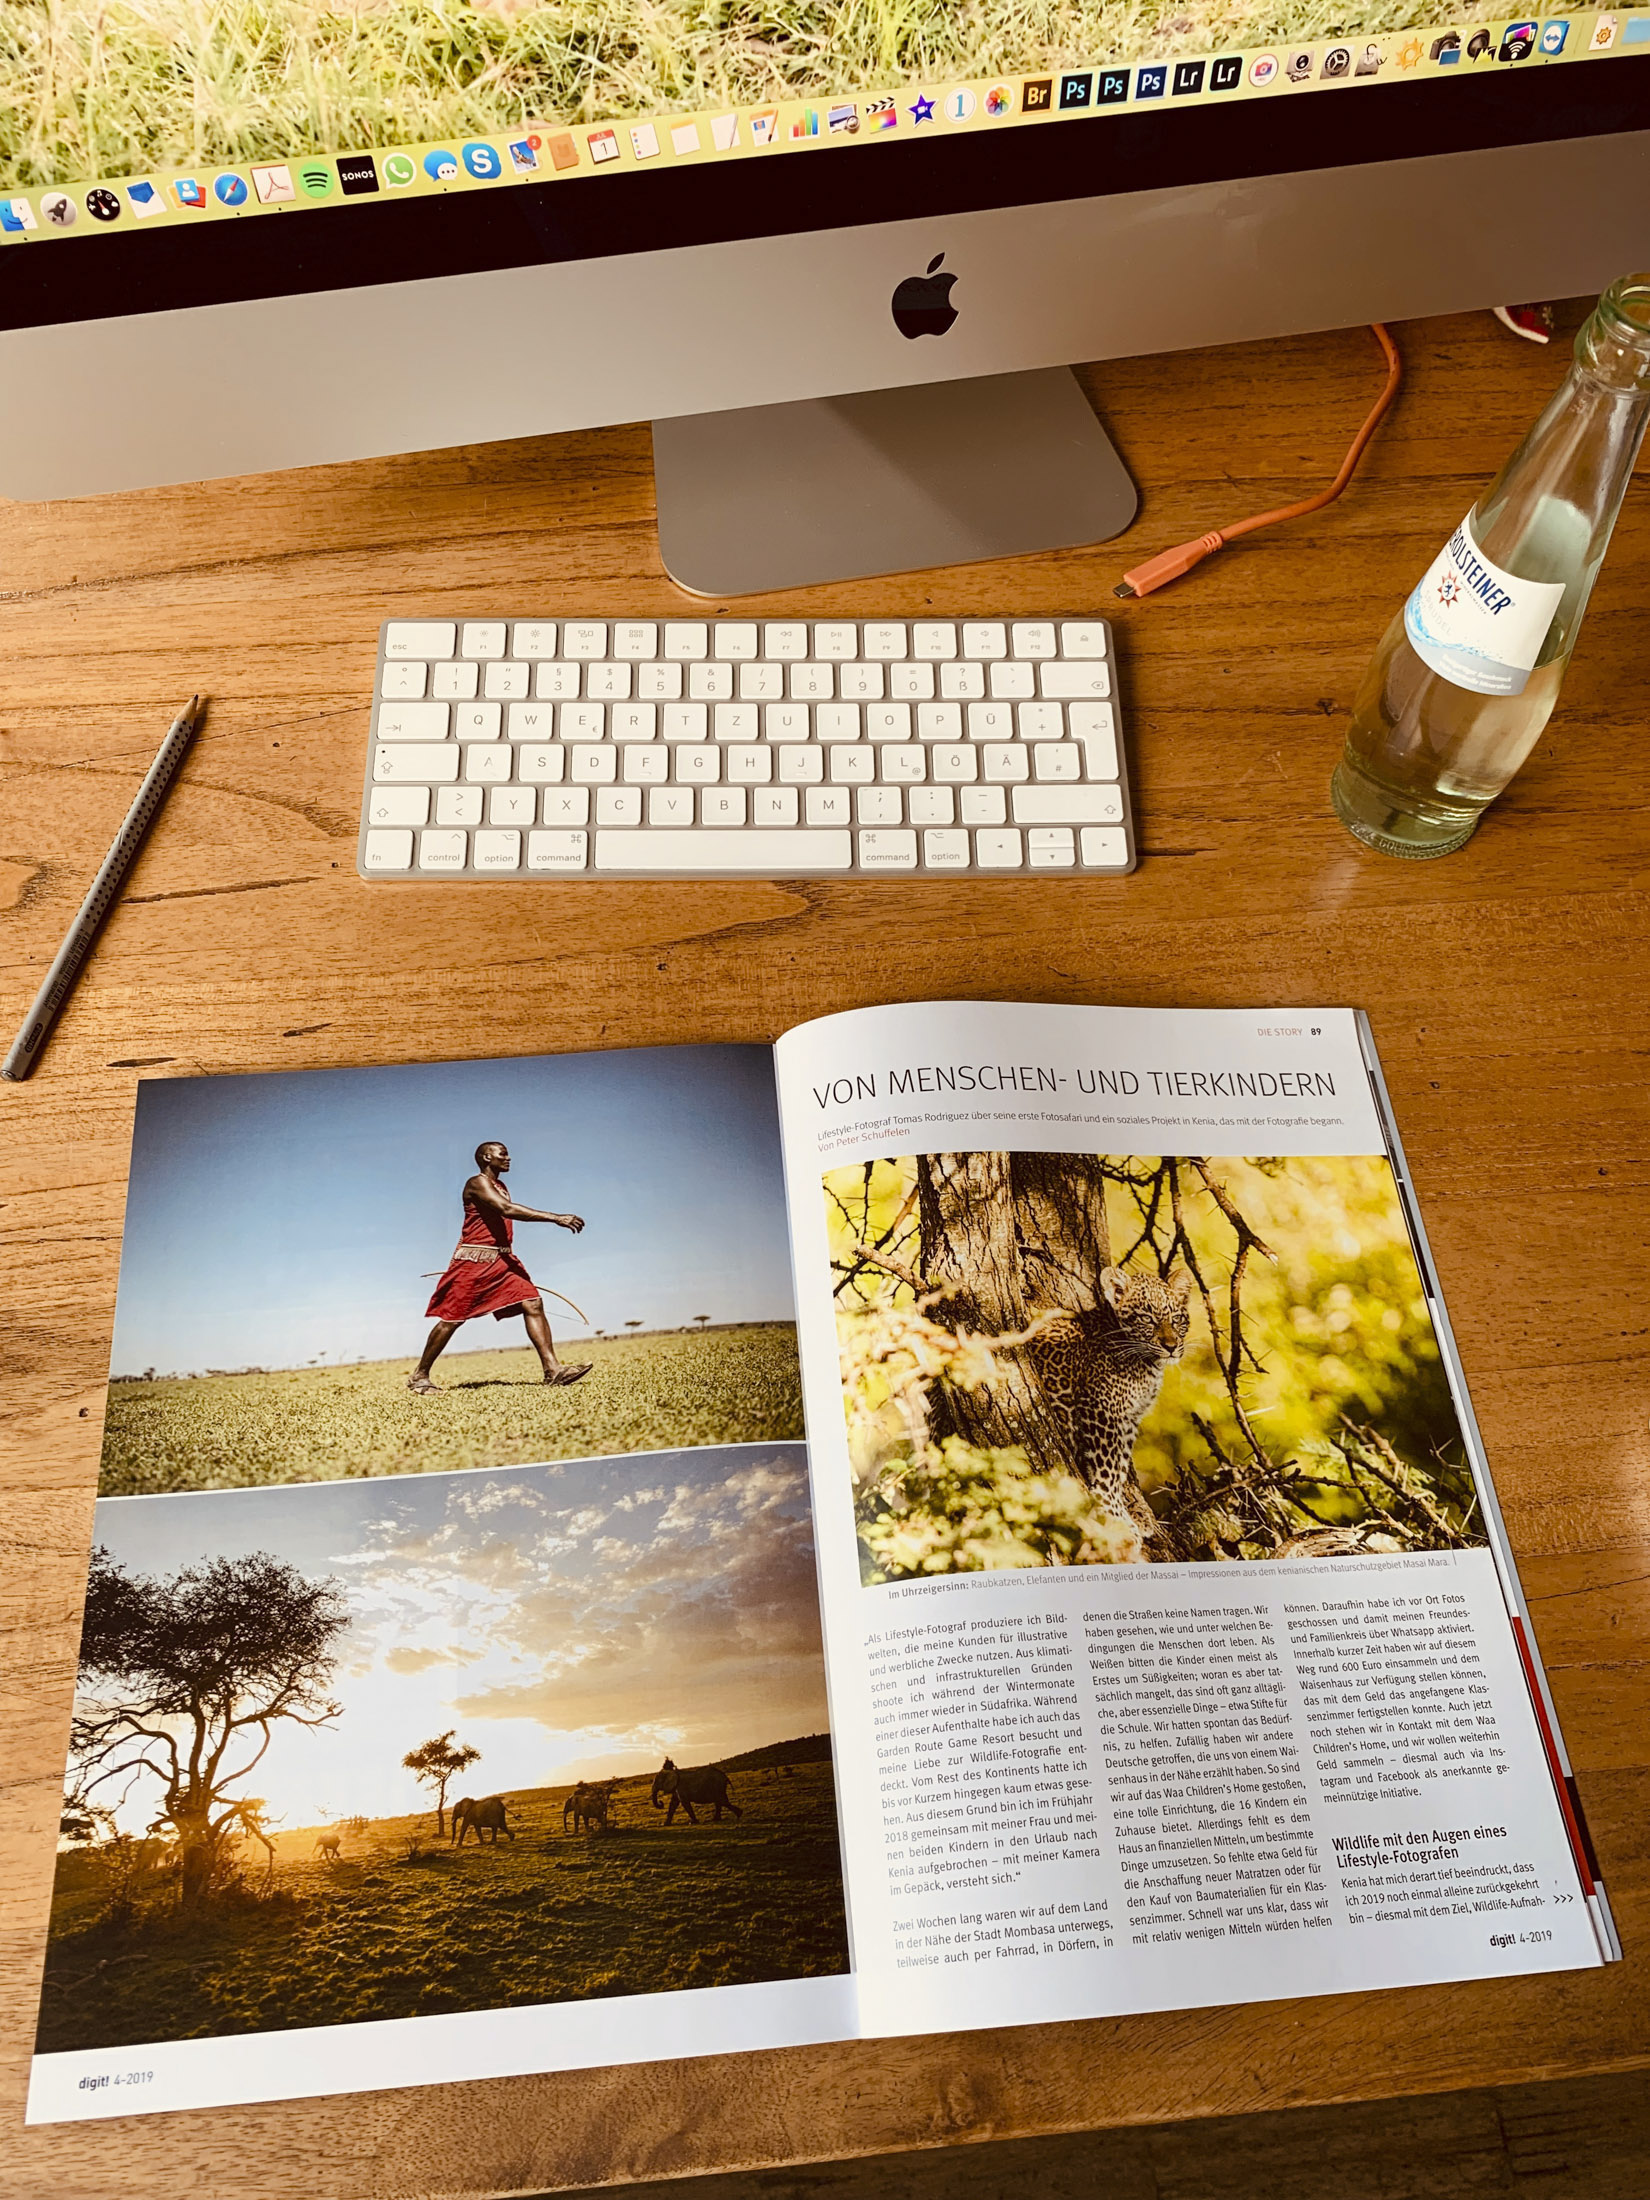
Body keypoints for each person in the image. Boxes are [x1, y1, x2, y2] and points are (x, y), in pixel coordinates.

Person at [409, 1141, 591, 1393]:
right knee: (452, 1319)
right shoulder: (477, 1182)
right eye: (502, 1154)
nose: (508, 1158)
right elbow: (506, 1209)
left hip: (503, 1261)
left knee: (533, 1303)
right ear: (486, 1157)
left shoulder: (500, 1186)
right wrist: (555, 1217)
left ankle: (553, 1371)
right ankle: (420, 1376)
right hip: (475, 1262)